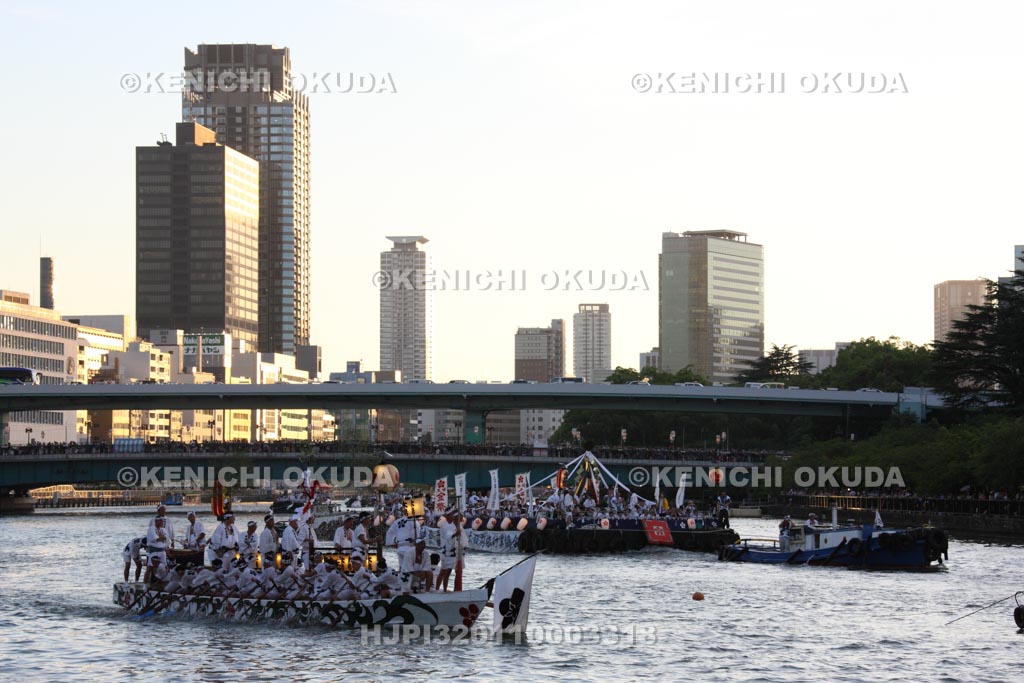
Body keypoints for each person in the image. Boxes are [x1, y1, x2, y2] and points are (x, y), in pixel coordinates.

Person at [385, 509, 417, 595]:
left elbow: (390, 532)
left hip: (400, 547)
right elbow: (416, 534)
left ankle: (403, 587)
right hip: (408, 547)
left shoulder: (397, 521)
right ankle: (407, 589)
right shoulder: (412, 521)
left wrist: (391, 542)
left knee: (402, 568)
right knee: (409, 569)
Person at [145, 516, 170, 583]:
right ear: (156, 521)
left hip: (162, 551)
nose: (162, 522)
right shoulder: (151, 529)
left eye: (163, 521)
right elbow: (155, 539)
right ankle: (146, 583)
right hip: (154, 551)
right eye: (161, 521)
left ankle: (161, 581)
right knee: (150, 568)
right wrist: (161, 537)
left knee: (165, 567)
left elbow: (167, 538)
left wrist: (162, 538)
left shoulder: (163, 529)